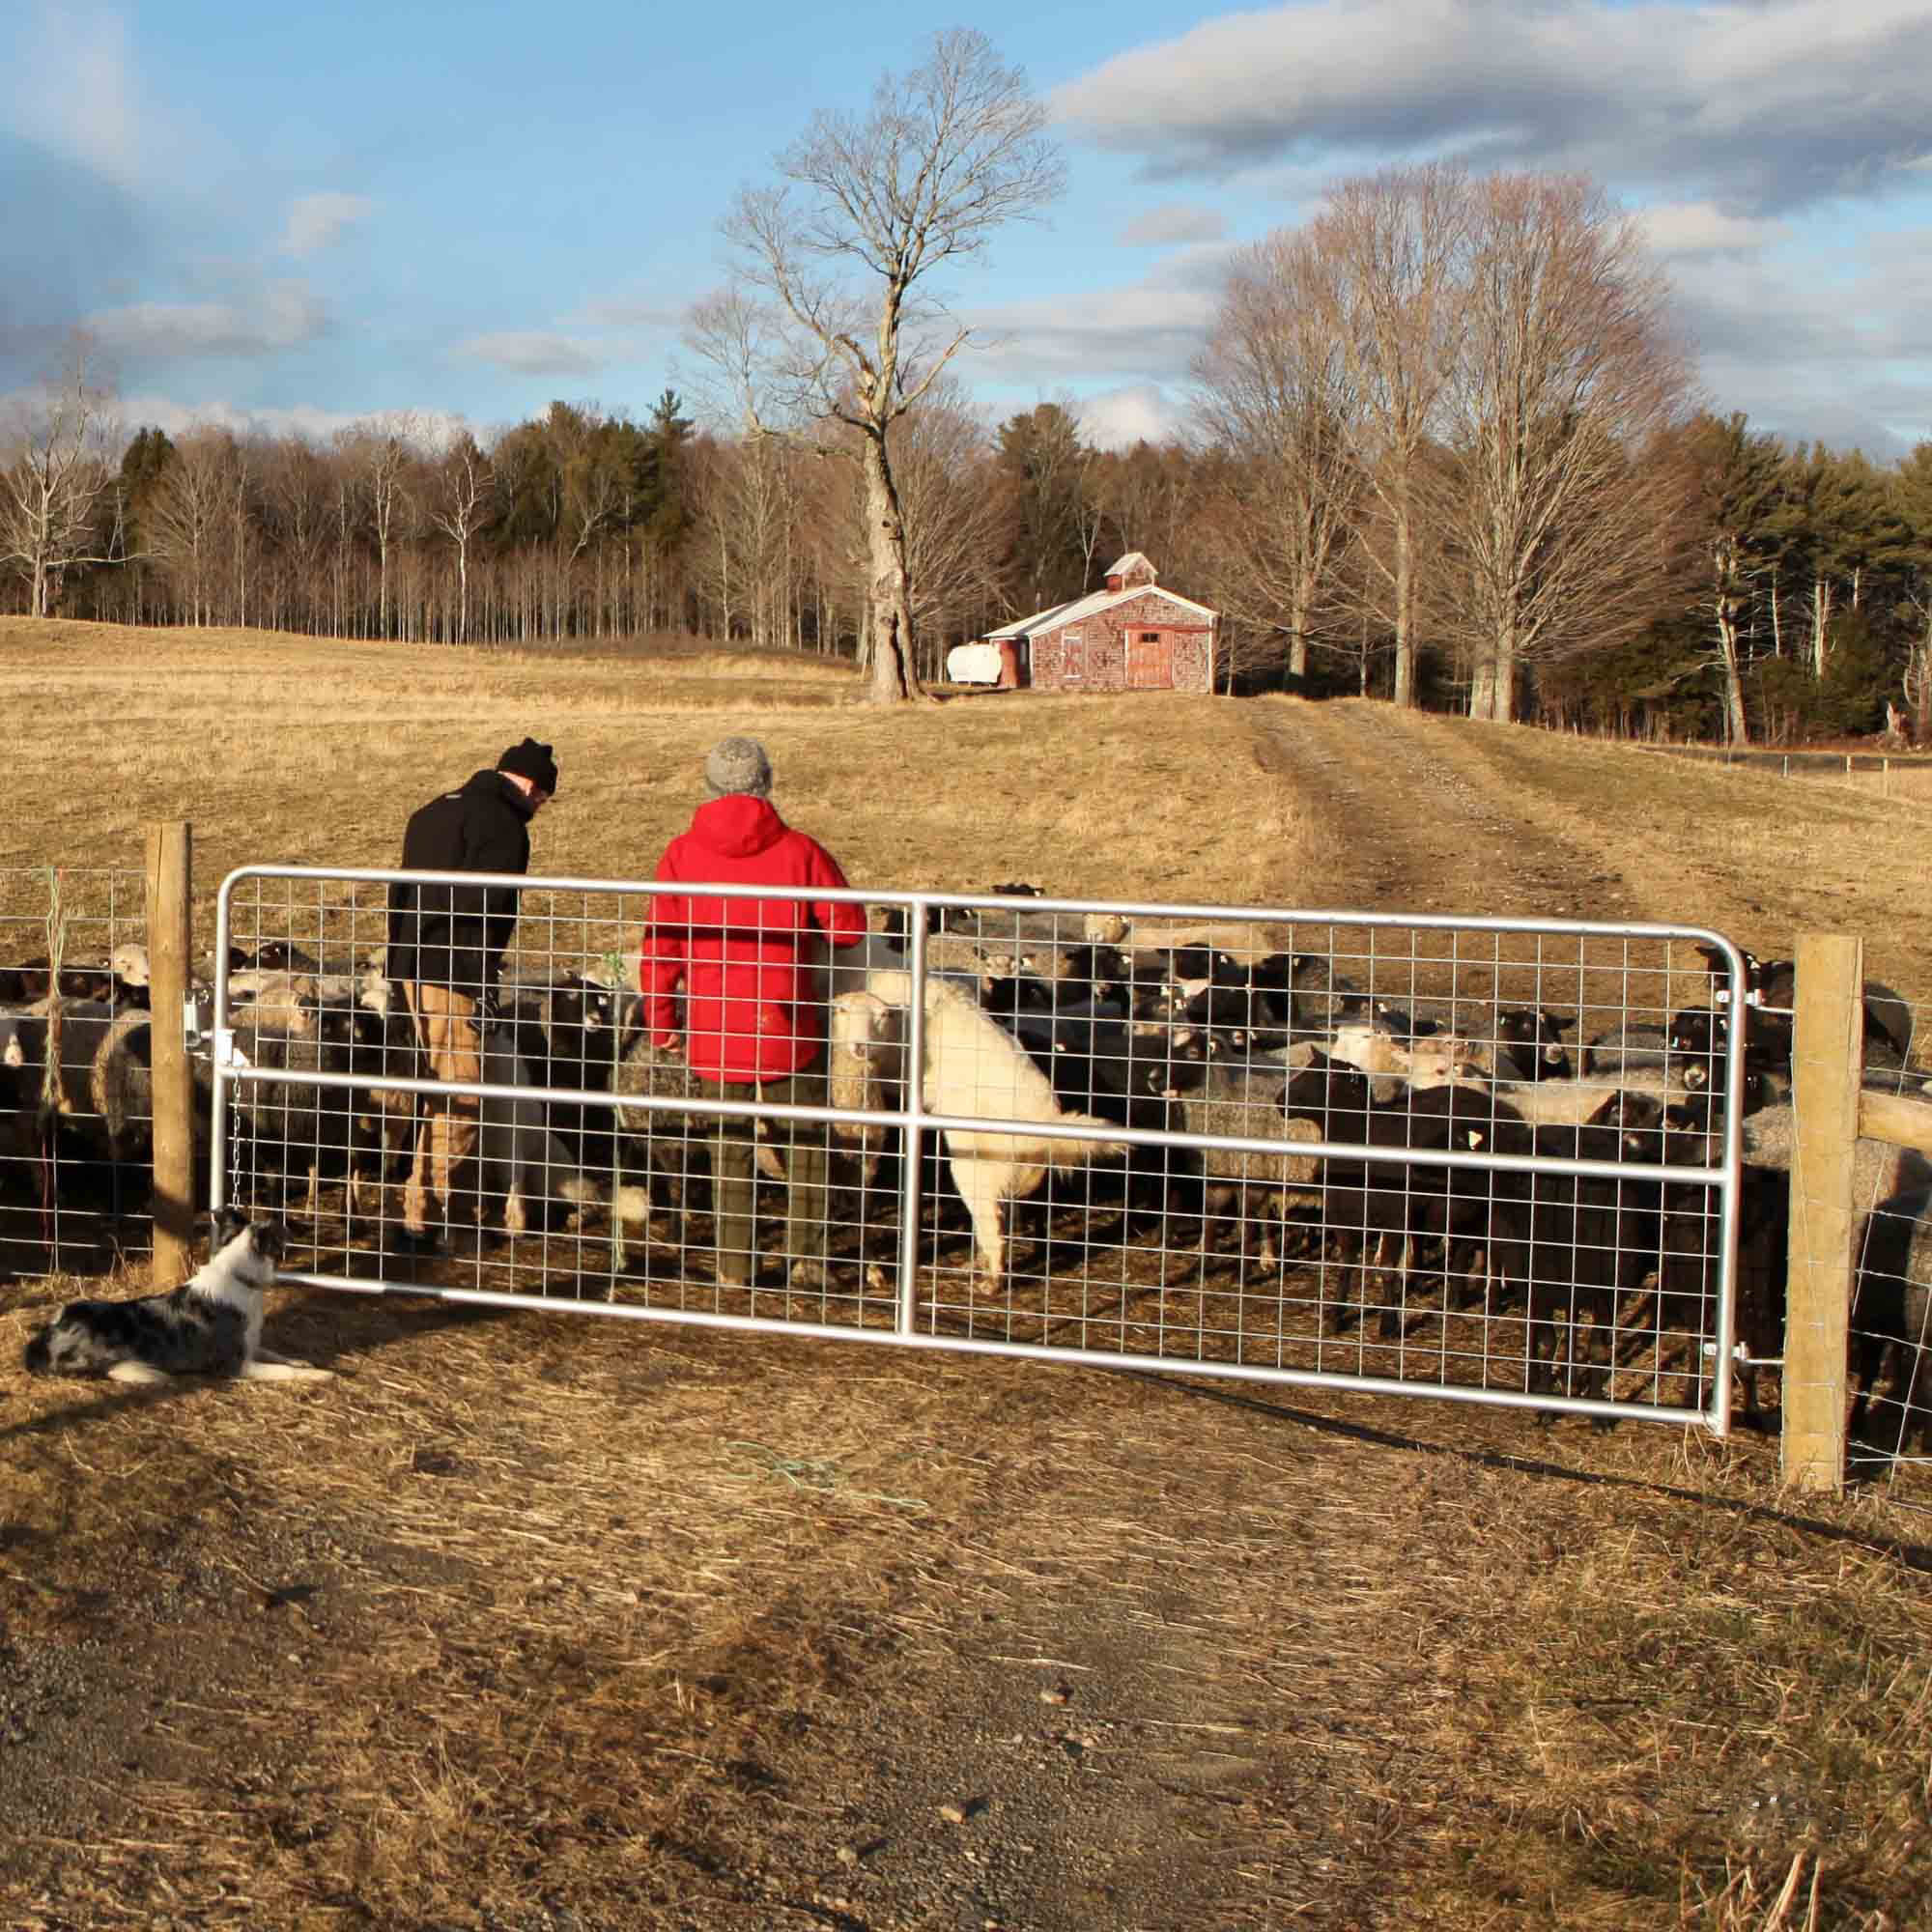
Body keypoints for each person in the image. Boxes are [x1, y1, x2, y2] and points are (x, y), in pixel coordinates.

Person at [638, 737, 867, 1288]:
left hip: (716, 1023)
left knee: (730, 1146)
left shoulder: (681, 854)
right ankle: (810, 1259)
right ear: (766, 782)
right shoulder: (799, 850)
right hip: (786, 1017)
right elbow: (849, 929)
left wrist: (662, 1020)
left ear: (709, 785)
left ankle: (735, 1266)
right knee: (807, 1142)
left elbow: (660, 945)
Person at [385, 736, 557, 1250]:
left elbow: (402, 892)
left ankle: (417, 1209)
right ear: (528, 783)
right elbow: (489, 908)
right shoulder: (503, 826)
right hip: (456, 973)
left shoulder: (432, 811)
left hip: (411, 967)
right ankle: (447, 1219)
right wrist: (482, 980)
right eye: (543, 797)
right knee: (463, 1091)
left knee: (430, 1088)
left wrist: (398, 968)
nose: (540, 807)